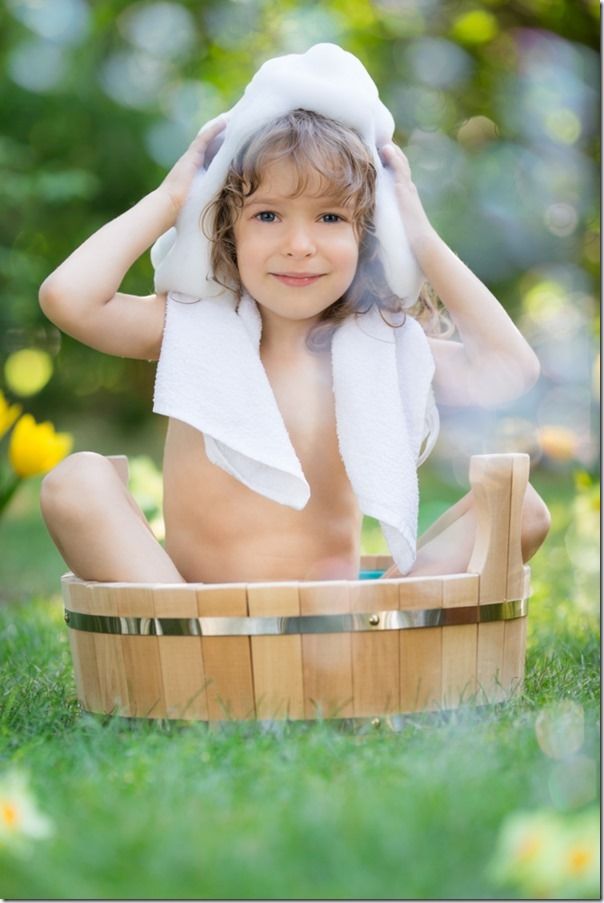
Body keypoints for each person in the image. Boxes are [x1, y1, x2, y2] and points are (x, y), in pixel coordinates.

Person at [38, 67, 550, 586]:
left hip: (336, 625)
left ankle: (391, 614)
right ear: (227, 233)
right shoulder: (193, 330)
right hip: (198, 618)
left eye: (330, 218)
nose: (299, 245)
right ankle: (187, 638)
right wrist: (174, 199)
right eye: (267, 216)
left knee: (521, 507)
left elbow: (510, 369)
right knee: (75, 481)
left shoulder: (379, 346)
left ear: (368, 236)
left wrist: (419, 236)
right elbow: (69, 298)